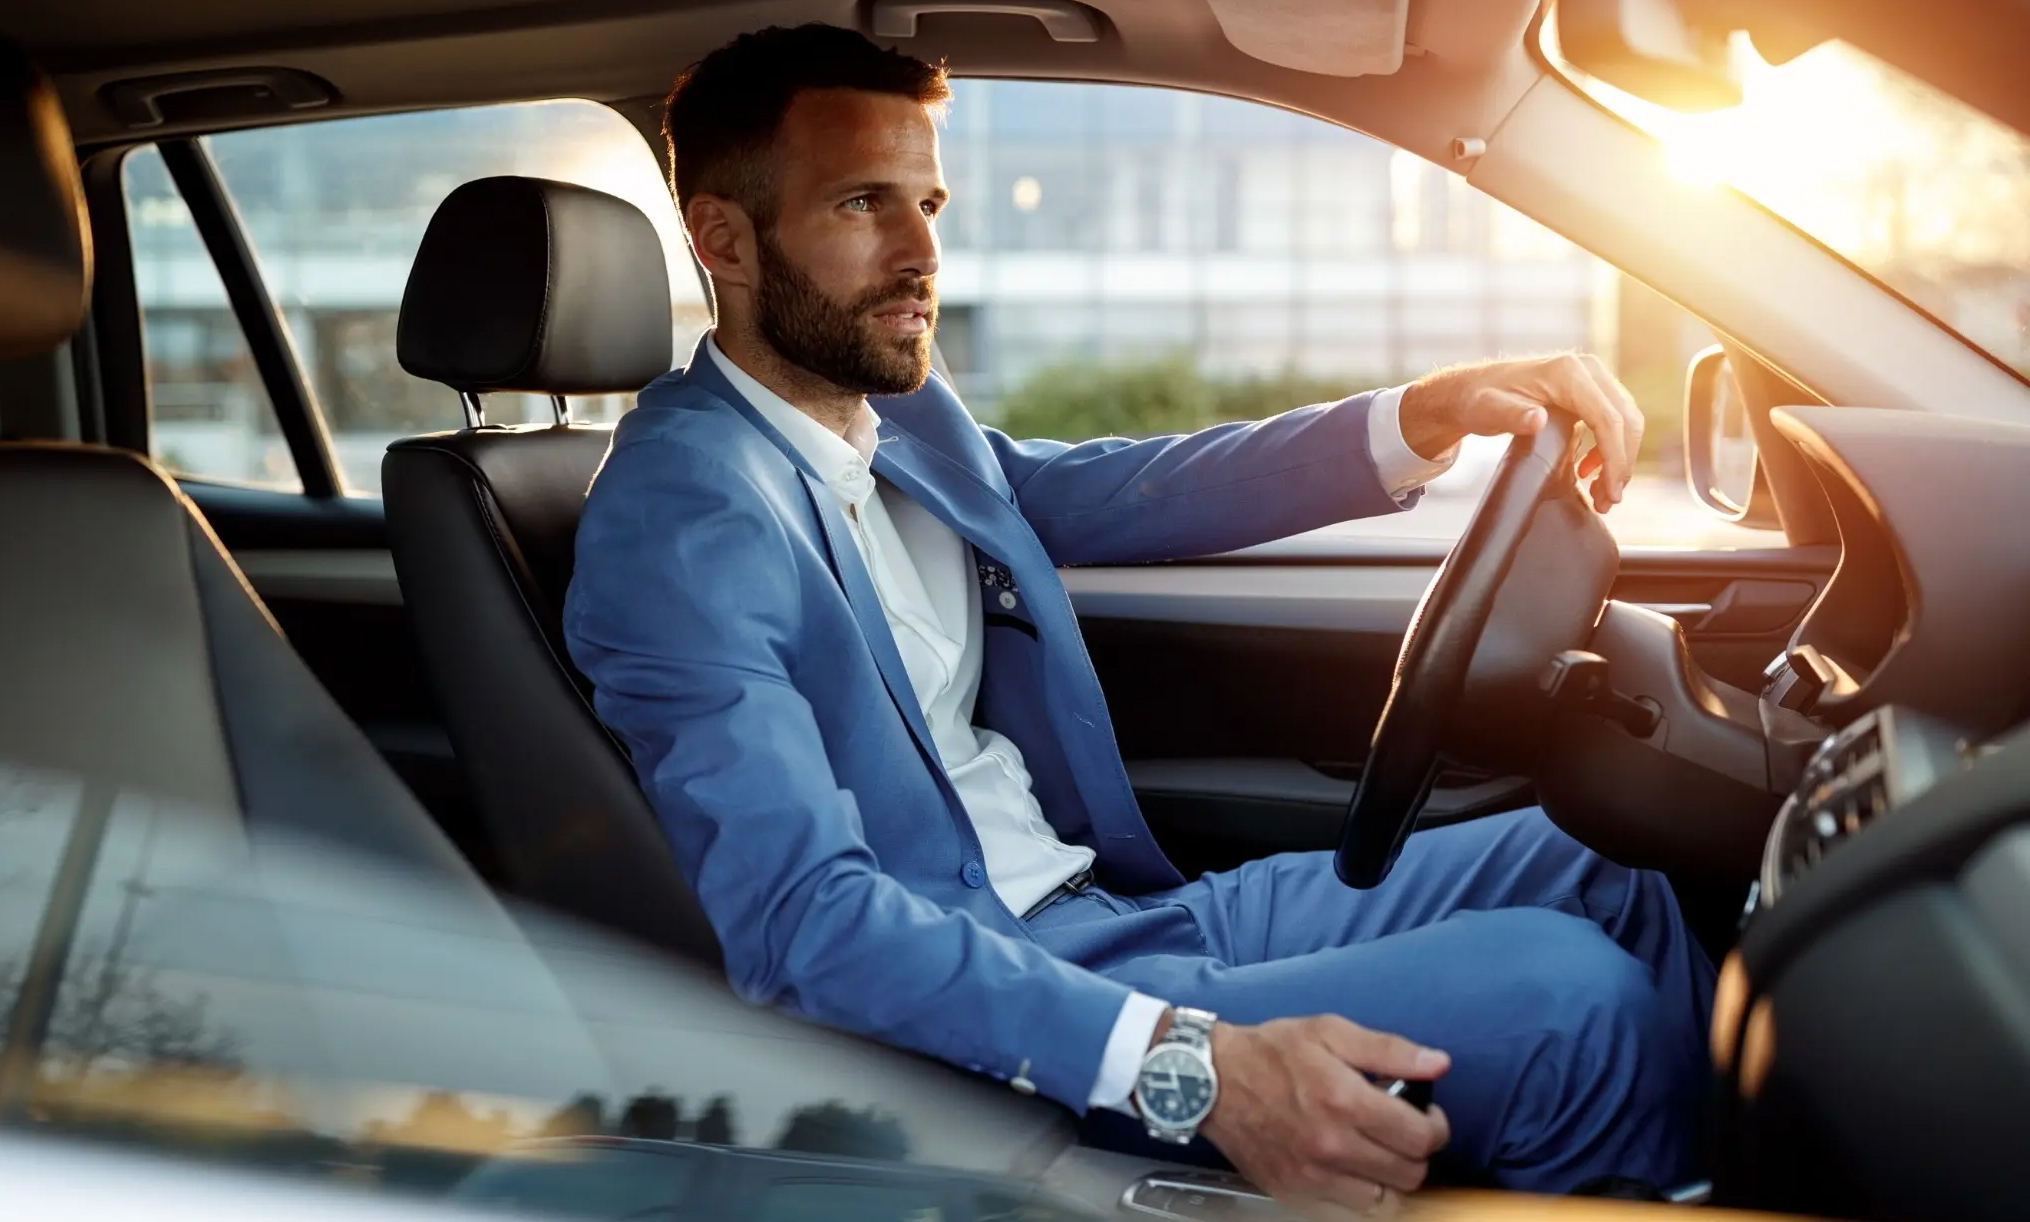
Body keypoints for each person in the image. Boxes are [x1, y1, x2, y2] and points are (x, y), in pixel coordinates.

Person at [565, 22, 1714, 1213]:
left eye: (929, 203)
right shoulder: (682, 514)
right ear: (723, 241)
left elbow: (1104, 488)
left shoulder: (891, 407)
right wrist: (1187, 1065)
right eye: (864, 203)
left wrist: (1422, 414)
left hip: (1119, 916)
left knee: (1608, 857)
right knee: (1571, 1001)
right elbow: (803, 922)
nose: (920, 253)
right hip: (1006, 1001)